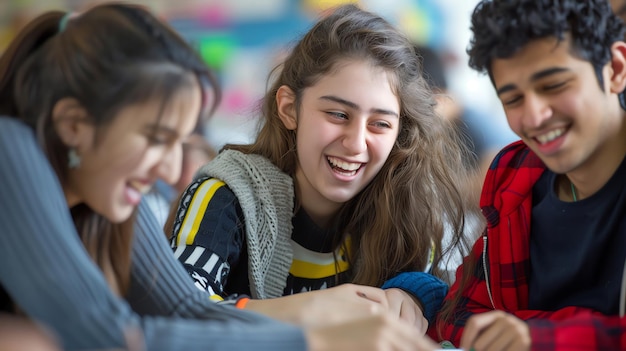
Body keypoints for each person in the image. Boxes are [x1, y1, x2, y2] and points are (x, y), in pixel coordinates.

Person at [0, 3, 440, 351]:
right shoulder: (8, 147)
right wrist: (314, 338)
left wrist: (339, 316)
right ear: (74, 124)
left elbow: (183, 308)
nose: (173, 172)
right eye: (156, 138)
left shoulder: (105, 198)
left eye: (180, 144)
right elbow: (105, 335)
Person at [167, 3, 479, 334]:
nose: (357, 143)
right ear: (289, 109)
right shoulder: (226, 194)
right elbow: (176, 312)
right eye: (338, 115)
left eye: (380, 124)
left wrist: (414, 293)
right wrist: (310, 309)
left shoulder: (404, 199)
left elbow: (438, 280)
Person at [434, 0, 626, 350]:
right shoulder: (514, 177)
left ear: (615, 68)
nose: (534, 116)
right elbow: (456, 314)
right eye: (513, 99)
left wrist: (538, 337)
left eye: (553, 85)